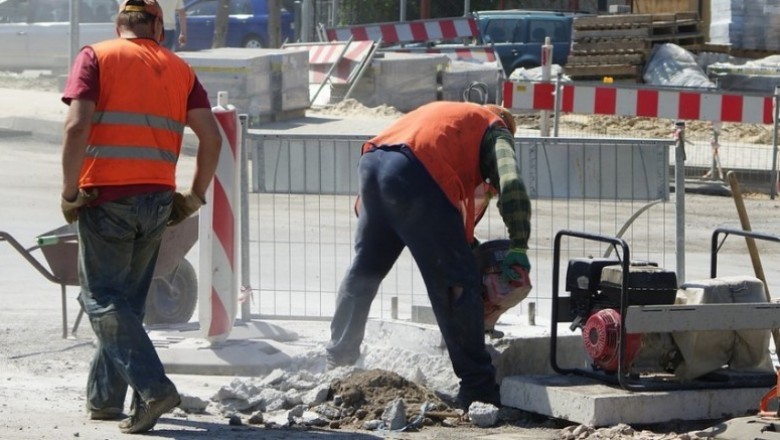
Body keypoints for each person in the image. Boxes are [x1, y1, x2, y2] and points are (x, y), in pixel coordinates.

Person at [59, 0, 221, 434]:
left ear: (118, 24)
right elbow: (211, 136)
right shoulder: (180, 70)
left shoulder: (97, 56)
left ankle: (153, 388)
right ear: (159, 30)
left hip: (106, 198)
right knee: (125, 303)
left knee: (100, 299)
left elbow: (76, 127)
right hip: (157, 201)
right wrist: (195, 195)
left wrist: (70, 192)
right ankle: (105, 401)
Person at [326, 101, 532, 408]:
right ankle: (478, 387)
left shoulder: (451, 120)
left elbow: (448, 216)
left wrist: (465, 247)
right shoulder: (495, 129)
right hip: (417, 171)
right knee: (457, 284)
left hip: (375, 164)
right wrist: (518, 243)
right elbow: (511, 182)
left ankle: (338, 364)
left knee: (364, 271)